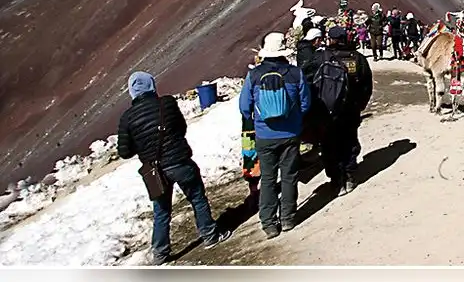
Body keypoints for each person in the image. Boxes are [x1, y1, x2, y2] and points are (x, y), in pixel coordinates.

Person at [117, 71, 231, 265]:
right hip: (180, 161)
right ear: (151, 85)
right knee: (197, 198)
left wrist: (143, 146)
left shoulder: (127, 118)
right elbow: (182, 127)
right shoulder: (167, 104)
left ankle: (160, 254)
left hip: (155, 171)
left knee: (161, 211)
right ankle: (210, 236)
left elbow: (125, 152)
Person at [239, 32, 311, 239]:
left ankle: (269, 223)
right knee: (289, 176)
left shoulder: (254, 76)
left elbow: (244, 107)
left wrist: (257, 122)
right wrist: (294, 118)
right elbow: (305, 103)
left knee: (269, 179)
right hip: (290, 133)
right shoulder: (295, 73)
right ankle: (288, 218)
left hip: (265, 136)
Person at [313, 26, 374, 195]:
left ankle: (335, 180)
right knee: (349, 142)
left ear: (330, 39)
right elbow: (367, 85)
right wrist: (360, 105)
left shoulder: (320, 58)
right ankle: (349, 176)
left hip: (327, 111)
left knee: (329, 145)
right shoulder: (358, 58)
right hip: (351, 109)